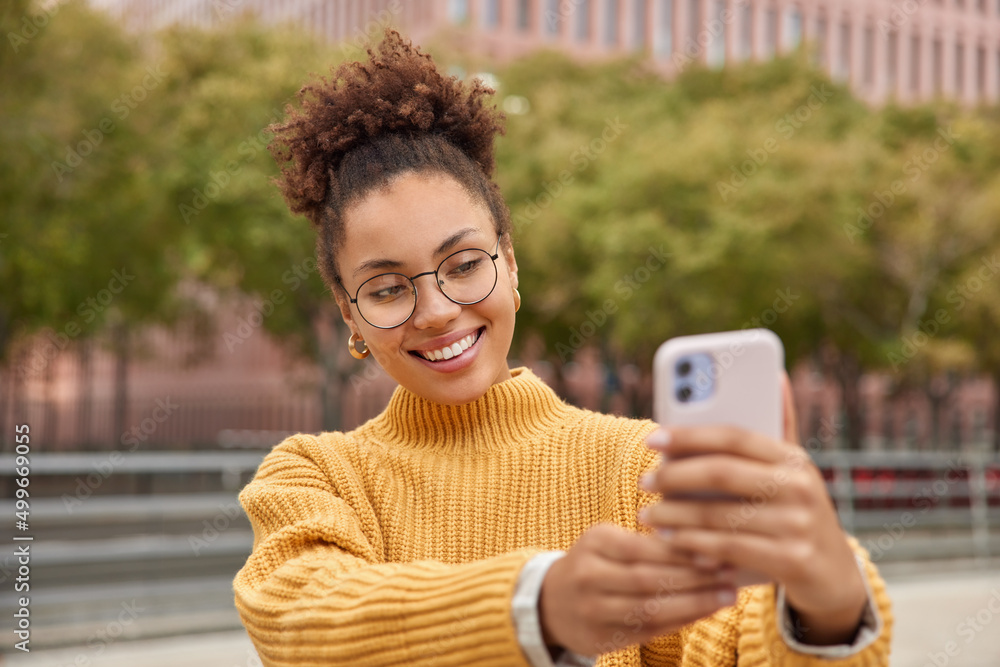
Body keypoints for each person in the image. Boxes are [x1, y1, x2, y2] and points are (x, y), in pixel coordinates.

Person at [232, 29, 892, 667]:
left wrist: (824, 605)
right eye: (385, 288)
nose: (436, 311)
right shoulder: (314, 476)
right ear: (350, 312)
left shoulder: (644, 465)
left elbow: (726, 641)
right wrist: (537, 606)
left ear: (511, 265)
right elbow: (304, 622)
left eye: (464, 264)